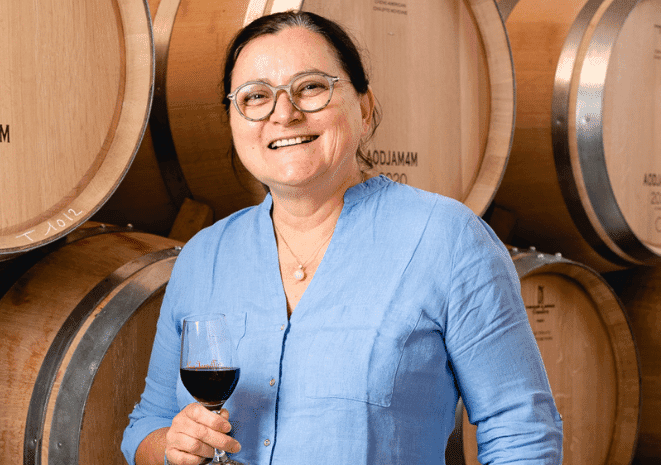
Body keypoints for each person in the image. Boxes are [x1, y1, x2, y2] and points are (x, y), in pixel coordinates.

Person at [122, 10, 563, 465]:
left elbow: (522, 432)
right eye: (255, 96)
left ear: (365, 108)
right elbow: (147, 422)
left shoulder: (447, 238)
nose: (284, 114)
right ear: (234, 121)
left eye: (311, 87)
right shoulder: (204, 256)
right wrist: (171, 445)